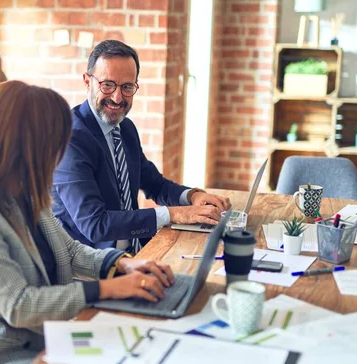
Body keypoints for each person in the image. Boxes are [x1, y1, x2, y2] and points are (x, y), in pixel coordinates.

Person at [0, 81, 175, 364]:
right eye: (55, 143)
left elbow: (69, 250)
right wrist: (106, 288)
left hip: (48, 337)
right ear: (22, 146)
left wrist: (122, 264)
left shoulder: (24, 192)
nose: (60, 153)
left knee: (146, 355)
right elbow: (19, 306)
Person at [52, 40, 231, 253]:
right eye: (107, 84)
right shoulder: (70, 140)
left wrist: (193, 196)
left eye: (127, 87)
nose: (117, 97)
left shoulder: (125, 128)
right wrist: (174, 214)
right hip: (93, 266)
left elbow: (155, 184)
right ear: (87, 81)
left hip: (137, 251)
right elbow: (95, 225)